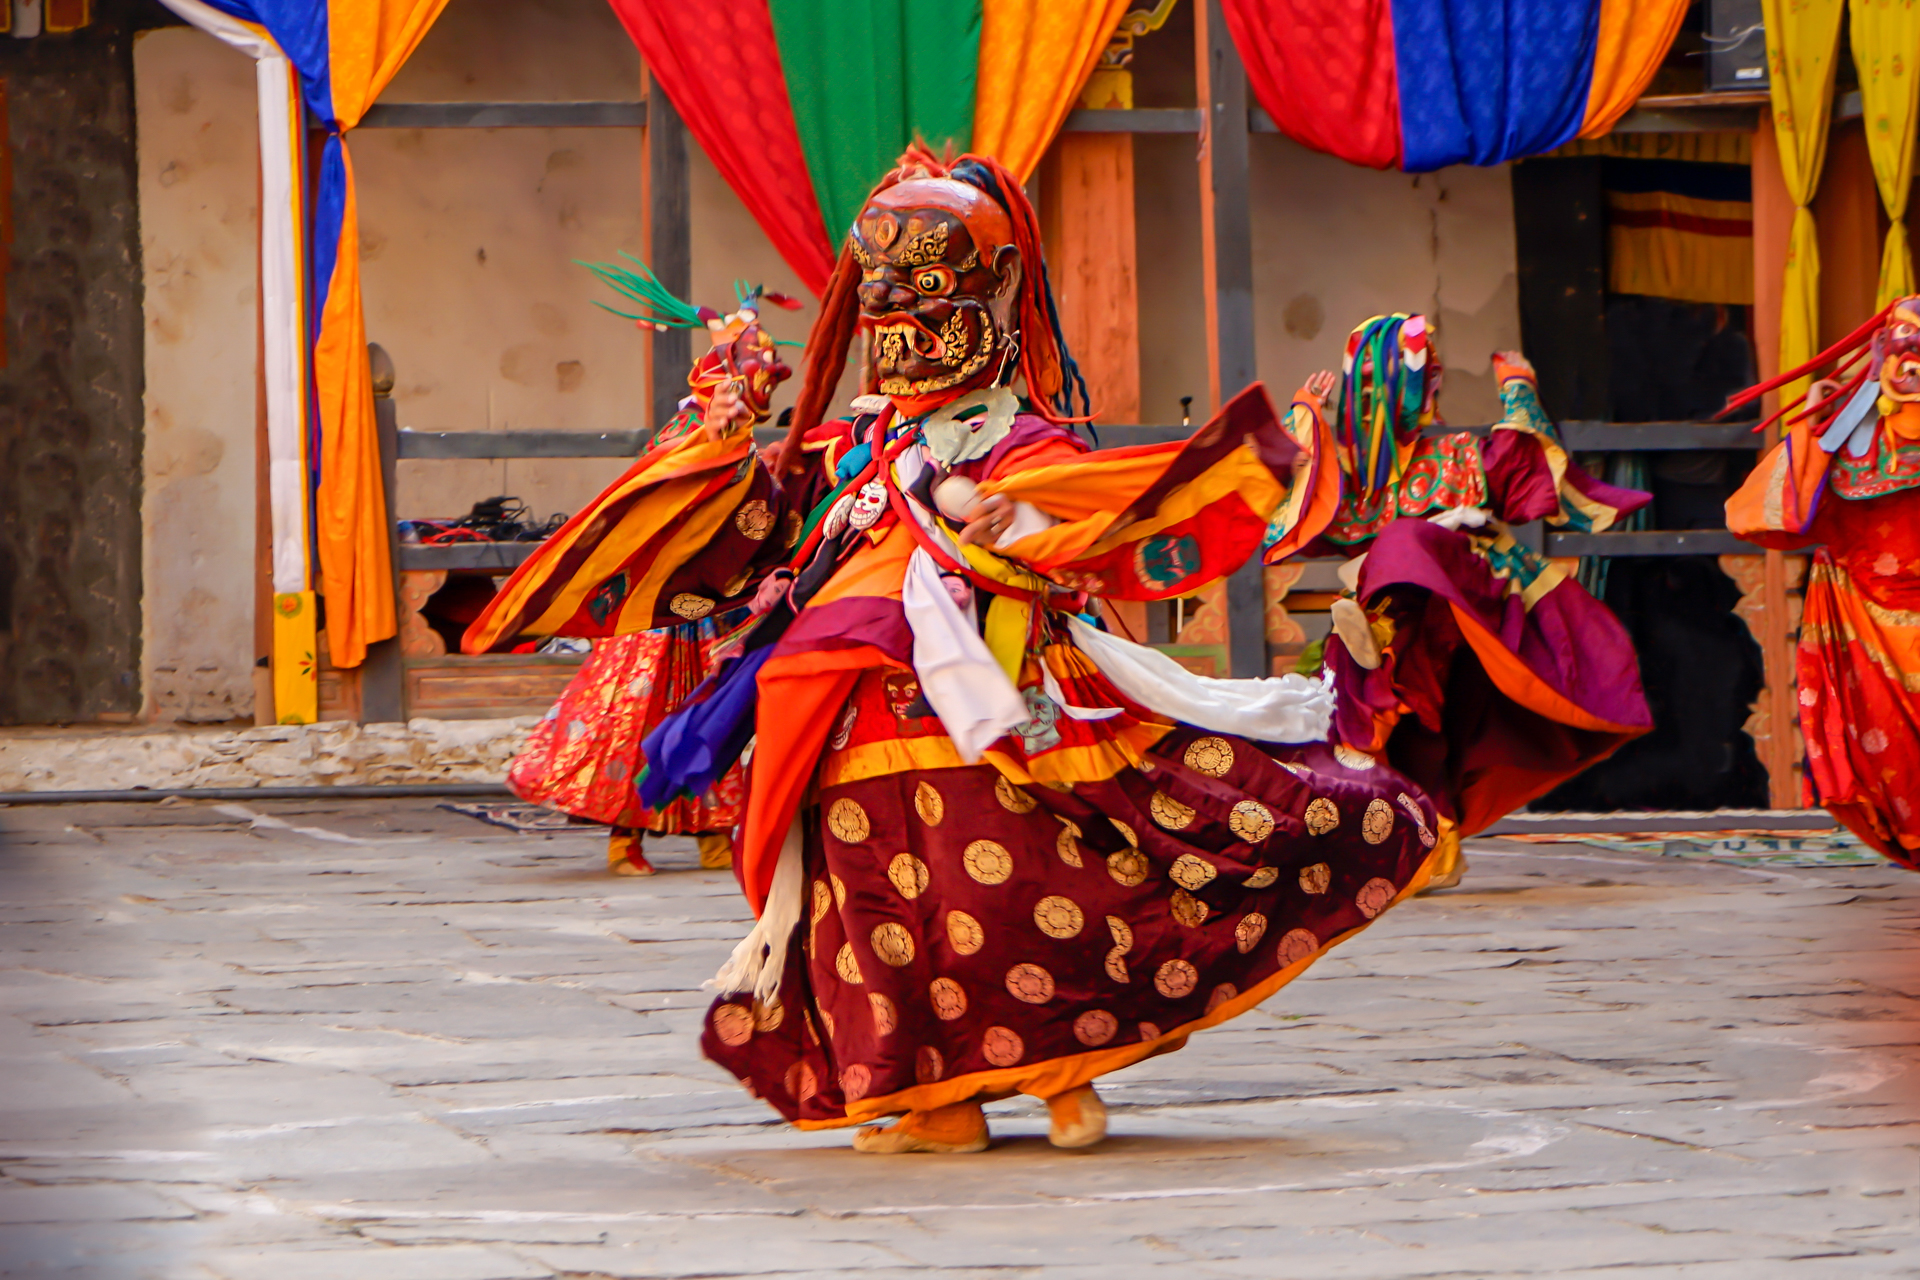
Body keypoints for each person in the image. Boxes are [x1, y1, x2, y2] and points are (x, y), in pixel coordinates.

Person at [465, 149, 1445, 1155]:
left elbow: (1071, 534)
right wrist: (722, 436)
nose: (899, 317)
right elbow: (770, 533)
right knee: (880, 905)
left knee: (1030, 888)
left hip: (993, 707)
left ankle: (1064, 1080)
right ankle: (938, 1095)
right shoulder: (858, 441)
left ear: (1001, 289)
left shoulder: (1023, 438)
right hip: (844, 720)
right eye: (882, 294)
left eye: (929, 290)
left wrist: (995, 514)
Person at [1285, 316, 1654, 888]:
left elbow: (1522, 476)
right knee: (1409, 709)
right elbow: (1294, 504)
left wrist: (1516, 390)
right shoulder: (1359, 471)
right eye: (1427, 379)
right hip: (1409, 619)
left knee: (1409, 570)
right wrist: (1305, 418)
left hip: (1459, 611)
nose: (1431, 391)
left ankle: (1375, 635)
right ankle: (1430, 843)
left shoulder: (1444, 456)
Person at [501, 266, 800, 876]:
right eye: (756, 376)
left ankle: (714, 833)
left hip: (716, 606)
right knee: (637, 718)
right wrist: (714, 453)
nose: (760, 389)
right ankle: (624, 839)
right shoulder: (686, 433)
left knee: (712, 710)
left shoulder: (741, 439)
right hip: (659, 609)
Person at [1723, 296, 1920, 867]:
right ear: (1881, 358)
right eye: (1904, 350)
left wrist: (1818, 425)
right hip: (1872, 625)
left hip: (1876, 625)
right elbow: (1779, 515)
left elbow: (1780, 514)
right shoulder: (1854, 439)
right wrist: (1819, 424)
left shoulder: (1848, 436)